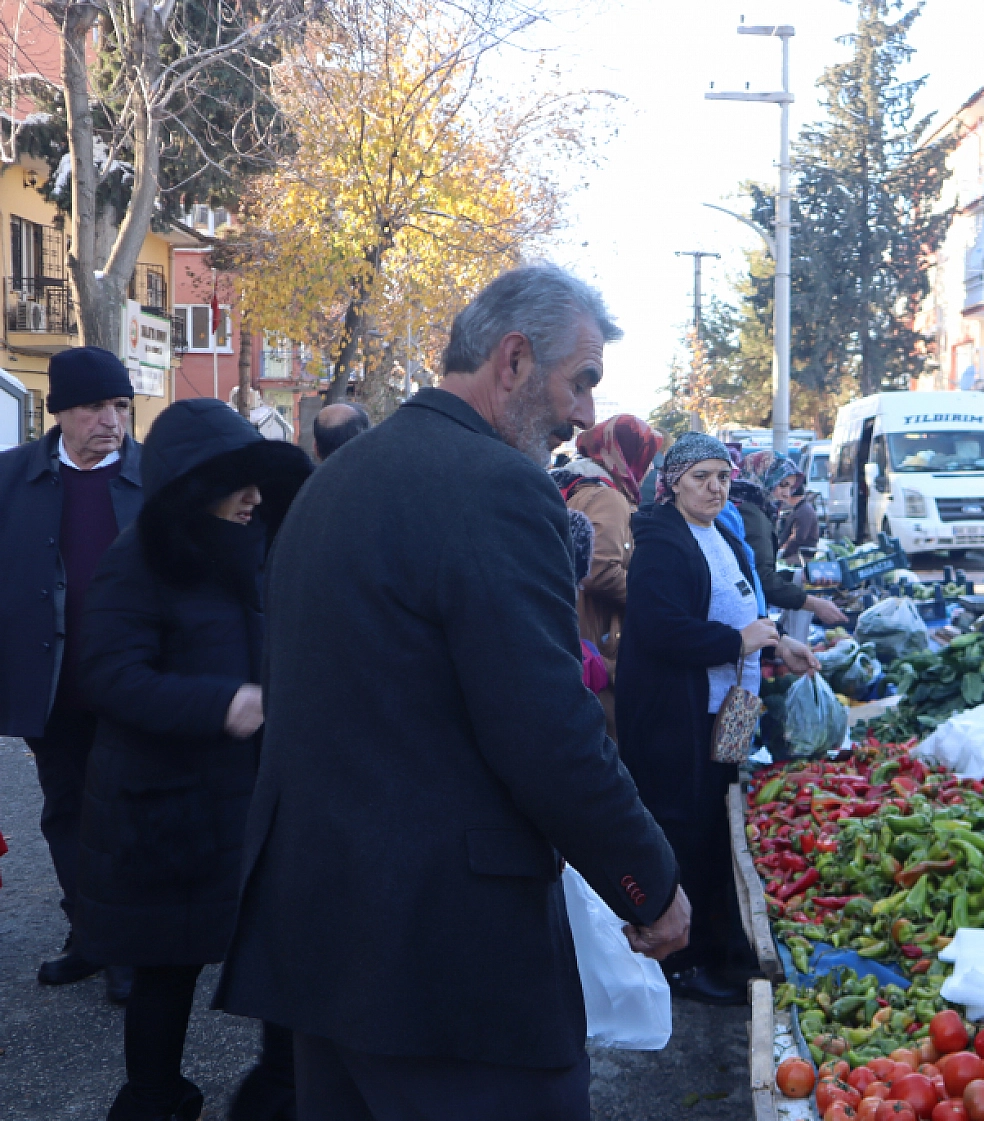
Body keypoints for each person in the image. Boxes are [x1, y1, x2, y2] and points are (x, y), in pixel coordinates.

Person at [216, 264, 689, 1120]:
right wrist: (649, 883)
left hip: (326, 943)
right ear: (512, 361)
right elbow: (549, 734)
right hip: (449, 964)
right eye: (581, 381)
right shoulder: (498, 488)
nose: (586, 414)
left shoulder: (335, 483)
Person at [76, 398, 312, 1121]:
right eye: (236, 483)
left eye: (257, 482)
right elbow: (111, 676)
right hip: (166, 808)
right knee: (167, 970)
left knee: (286, 947)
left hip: (251, 799)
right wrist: (222, 704)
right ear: (191, 485)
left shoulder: (261, 549)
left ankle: (279, 1089)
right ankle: (153, 1101)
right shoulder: (137, 561)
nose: (254, 497)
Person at [616, 432, 820, 1007]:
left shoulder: (723, 533)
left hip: (732, 710)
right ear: (674, 480)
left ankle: (709, 949)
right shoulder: (663, 541)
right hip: (681, 719)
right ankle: (680, 964)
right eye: (702, 476)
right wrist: (738, 640)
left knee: (720, 825)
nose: (714, 487)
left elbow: (747, 607)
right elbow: (659, 632)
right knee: (685, 829)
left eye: (722, 477)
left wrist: (777, 644)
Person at [0, 346, 142, 1001]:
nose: (110, 420)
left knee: (124, 814)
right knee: (65, 812)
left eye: (119, 405)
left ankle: (125, 943)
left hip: (134, 686)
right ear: (60, 412)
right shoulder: (12, 477)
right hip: (49, 684)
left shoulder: (155, 478)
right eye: (94, 406)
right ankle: (89, 934)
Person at [555, 413, 662, 739]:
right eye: (644, 455)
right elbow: (600, 571)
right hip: (601, 637)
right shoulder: (608, 497)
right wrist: (652, 598)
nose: (647, 465)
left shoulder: (573, 483)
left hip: (578, 631)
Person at [734, 450, 845, 627]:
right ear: (763, 478)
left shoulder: (753, 510)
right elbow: (762, 579)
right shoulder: (753, 516)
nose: (787, 494)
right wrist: (813, 604)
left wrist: (800, 576)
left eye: (790, 487)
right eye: (783, 485)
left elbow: (754, 573)